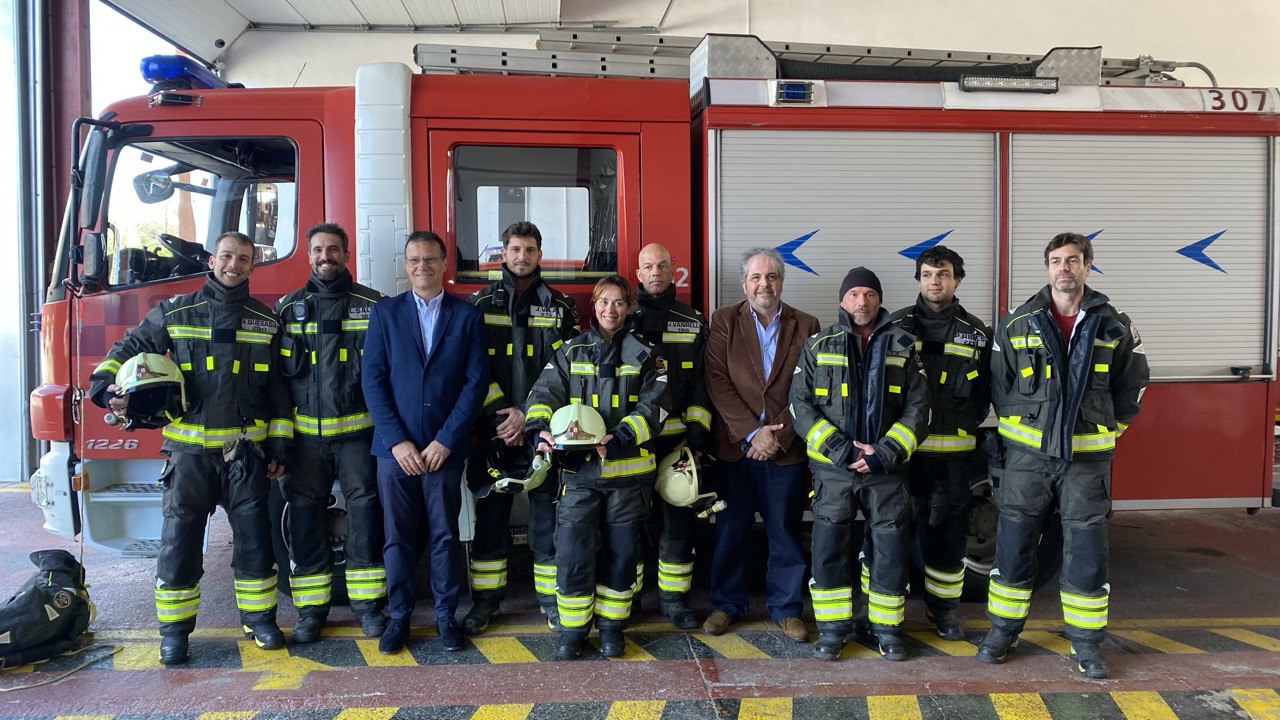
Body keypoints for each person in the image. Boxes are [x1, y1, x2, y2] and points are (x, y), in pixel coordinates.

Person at [88, 231, 293, 666]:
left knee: (256, 544)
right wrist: (105, 388)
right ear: (212, 261)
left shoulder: (266, 321)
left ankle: (260, 621)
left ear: (252, 266)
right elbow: (127, 349)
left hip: (246, 456)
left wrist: (278, 444)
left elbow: (277, 391)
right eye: (226, 256)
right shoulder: (175, 311)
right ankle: (175, 634)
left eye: (243, 258)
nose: (234, 265)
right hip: (189, 457)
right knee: (179, 546)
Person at [976, 232, 1148, 679]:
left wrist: (1108, 431)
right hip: (1027, 461)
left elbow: (1132, 386)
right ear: (1048, 268)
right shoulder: (1018, 322)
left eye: (1073, 260)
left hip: (1086, 462)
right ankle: (1002, 632)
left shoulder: (1114, 325)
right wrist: (1022, 435)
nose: (1064, 268)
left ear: (1088, 266)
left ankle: (1087, 643)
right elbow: (999, 385)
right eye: (1056, 260)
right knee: (1013, 548)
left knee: (1087, 554)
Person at [524, 275, 670, 660]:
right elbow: (543, 394)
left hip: (628, 476)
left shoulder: (648, 354)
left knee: (621, 556)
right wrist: (538, 429)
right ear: (594, 304)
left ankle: (611, 629)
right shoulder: (571, 350)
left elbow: (655, 408)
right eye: (604, 301)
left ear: (629, 307)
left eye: (619, 302)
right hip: (579, 475)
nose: (610, 309)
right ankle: (573, 631)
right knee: (572, 552)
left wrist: (619, 438)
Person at [790, 267, 929, 662]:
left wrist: (883, 453)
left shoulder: (904, 346)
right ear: (842, 300)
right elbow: (799, 405)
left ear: (879, 300)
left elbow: (919, 408)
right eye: (854, 294)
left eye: (869, 294)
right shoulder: (819, 345)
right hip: (834, 471)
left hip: (885, 471)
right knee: (828, 549)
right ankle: (833, 631)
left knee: (890, 551)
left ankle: (886, 630)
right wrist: (842, 451)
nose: (862, 301)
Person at [362, 230, 487, 654]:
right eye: (414, 259)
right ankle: (399, 617)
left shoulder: (466, 316)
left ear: (444, 263)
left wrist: (447, 440)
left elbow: (475, 384)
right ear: (405, 264)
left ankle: (445, 617)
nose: (422, 266)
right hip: (394, 452)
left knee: (445, 535)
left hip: (442, 451)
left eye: (430, 258)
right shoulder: (384, 313)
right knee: (397, 536)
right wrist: (397, 442)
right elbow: (373, 381)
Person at [464, 221, 579, 635]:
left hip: (542, 431)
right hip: (494, 430)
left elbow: (569, 372)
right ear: (504, 253)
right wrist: (502, 413)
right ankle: (486, 603)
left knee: (546, 519)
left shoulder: (561, 307)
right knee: (490, 518)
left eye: (530, 250)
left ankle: (549, 602)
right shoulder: (479, 305)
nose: (522, 257)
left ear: (540, 255)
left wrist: (527, 415)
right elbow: (471, 368)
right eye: (515, 249)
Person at [275, 223, 388, 642]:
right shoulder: (287, 309)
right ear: (309, 256)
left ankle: (369, 608)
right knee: (305, 523)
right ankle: (310, 613)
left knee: (366, 519)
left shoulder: (374, 306)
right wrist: (280, 441)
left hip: (360, 437)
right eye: (319, 249)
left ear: (346, 255)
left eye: (334, 249)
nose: (326, 256)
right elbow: (276, 382)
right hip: (306, 442)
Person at [702, 248, 820, 643]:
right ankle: (726, 605)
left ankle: (787, 609)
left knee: (784, 531)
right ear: (744, 284)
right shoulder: (723, 320)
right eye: (756, 277)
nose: (763, 284)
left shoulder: (807, 324)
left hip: (785, 449)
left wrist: (778, 435)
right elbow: (717, 382)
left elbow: (809, 388)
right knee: (731, 530)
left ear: (781, 282)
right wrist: (754, 433)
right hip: (736, 448)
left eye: (771, 276)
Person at [885, 246, 992, 640]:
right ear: (918, 279)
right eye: (928, 274)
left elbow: (986, 394)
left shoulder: (977, 333)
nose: (935, 281)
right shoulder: (894, 327)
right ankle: (887, 616)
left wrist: (959, 427)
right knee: (889, 539)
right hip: (901, 458)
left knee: (947, 542)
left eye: (943, 274)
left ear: (957, 280)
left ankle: (944, 612)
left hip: (953, 461)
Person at [628, 243, 712, 629]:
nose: (656, 272)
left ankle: (674, 600)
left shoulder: (692, 321)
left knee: (678, 525)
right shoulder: (624, 318)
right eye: (648, 266)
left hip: (677, 443)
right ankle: (628, 598)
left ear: (673, 269)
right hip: (632, 442)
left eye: (663, 265)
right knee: (627, 524)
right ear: (638, 273)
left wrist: (696, 436)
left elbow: (702, 385)